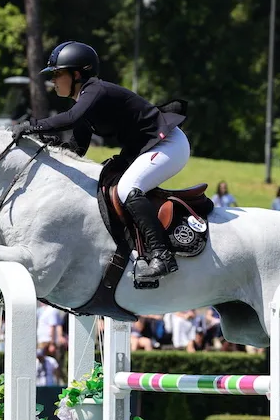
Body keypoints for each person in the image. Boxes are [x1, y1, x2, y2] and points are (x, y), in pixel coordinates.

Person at [12, 41, 189, 283]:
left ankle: (162, 255)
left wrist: (32, 126)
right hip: (146, 147)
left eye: (57, 74)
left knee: (128, 188)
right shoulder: (85, 102)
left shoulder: (95, 91)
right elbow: (76, 149)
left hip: (168, 143)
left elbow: (70, 119)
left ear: (76, 74)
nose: (53, 80)